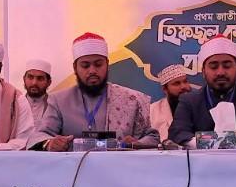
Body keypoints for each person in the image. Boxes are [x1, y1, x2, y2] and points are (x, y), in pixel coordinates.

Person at [30, 33, 159, 151]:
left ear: (107, 64)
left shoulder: (131, 99)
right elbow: (39, 135)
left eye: (98, 64)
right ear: (75, 68)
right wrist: (49, 143)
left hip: (118, 166)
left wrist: (137, 143)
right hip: (73, 167)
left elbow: (152, 137)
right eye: (85, 66)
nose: (92, 71)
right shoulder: (59, 100)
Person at [168, 36, 236, 146]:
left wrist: (217, 142)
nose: (220, 72)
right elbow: (177, 134)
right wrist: (218, 142)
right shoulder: (189, 101)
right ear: (203, 71)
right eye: (213, 67)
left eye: (227, 66)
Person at [150, 64, 191, 141]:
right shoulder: (152, 110)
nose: (183, 86)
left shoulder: (200, 106)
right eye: (176, 83)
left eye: (185, 81)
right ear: (165, 89)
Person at [23, 59, 52, 126]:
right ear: (24, 79)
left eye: (40, 78)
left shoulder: (55, 106)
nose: (34, 83)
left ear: (49, 82)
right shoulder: (15, 105)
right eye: (30, 77)